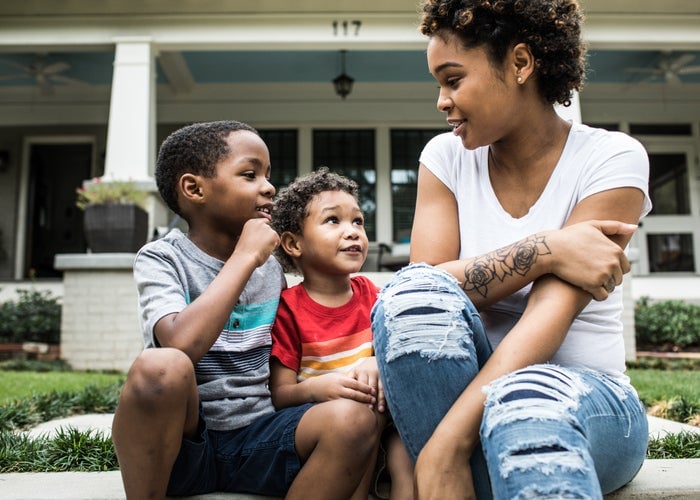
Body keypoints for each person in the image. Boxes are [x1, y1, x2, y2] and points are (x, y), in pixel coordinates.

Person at [371, 1, 652, 499]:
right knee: (411, 296)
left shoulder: (611, 158)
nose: (441, 100)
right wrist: (546, 248)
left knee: (526, 402)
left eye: (453, 79)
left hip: (584, 406)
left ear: (520, 64)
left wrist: (444, 448)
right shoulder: (446, 159)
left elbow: (551, 310)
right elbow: (424, 291)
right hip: (457, 399)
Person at [111, 121, 380, 499]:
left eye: (268, 175)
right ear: (194, 189)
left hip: (261, 438)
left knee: (354, 418)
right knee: (160, 366)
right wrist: (244, 257)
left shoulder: (269, 269)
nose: (268, 186)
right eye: (250, 174)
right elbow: (180, 345)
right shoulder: (162, 258)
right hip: (187, 442)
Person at [269, 167, 414, 500]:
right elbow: (280, 394)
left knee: (406, 456)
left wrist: (378, 363)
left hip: (384, 426)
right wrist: (320, 387)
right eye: (333, 221)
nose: (353, 232)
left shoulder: (375, 296)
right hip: (329, 434)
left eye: (358, 221)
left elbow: (400, 352)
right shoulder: (288, 310)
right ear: (293, 243)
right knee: (359, 424)